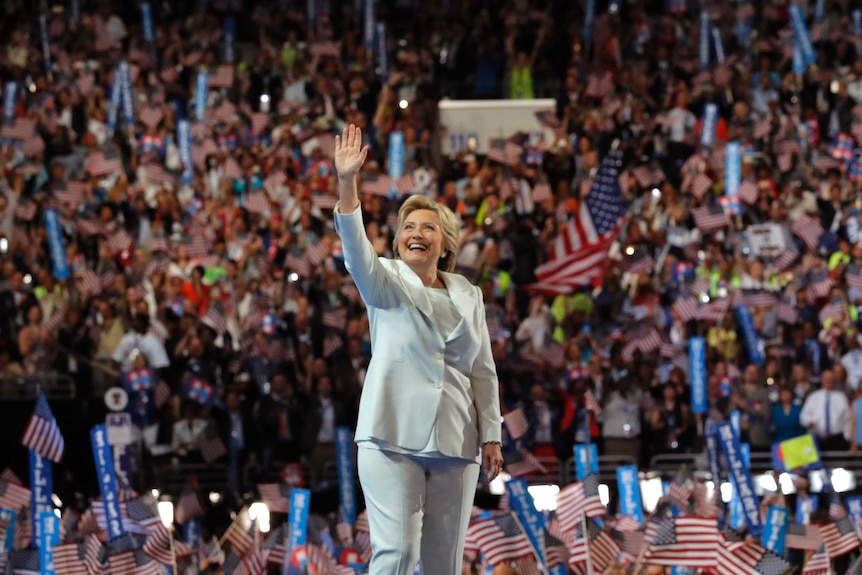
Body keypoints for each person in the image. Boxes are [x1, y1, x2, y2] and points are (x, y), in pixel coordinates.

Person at [331, 124, 503, 575]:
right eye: (408, 226)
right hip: (391, 435)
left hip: (455, 438)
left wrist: (491, 434)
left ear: (444, 242)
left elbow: (483, 372)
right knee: (399, 555)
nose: (416, 233)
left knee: (442, 565)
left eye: (428, 227)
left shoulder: (470, 294)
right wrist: (347, 182)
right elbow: (354, 248)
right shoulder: (383, 279)